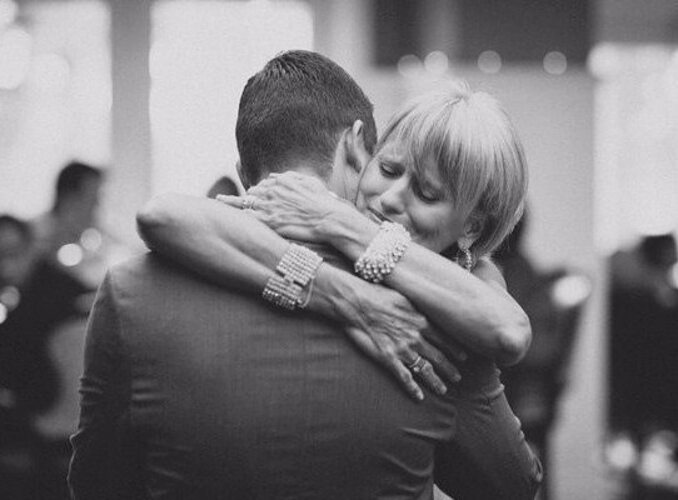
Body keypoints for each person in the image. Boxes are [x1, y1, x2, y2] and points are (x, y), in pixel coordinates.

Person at [135, 52, 540, 498]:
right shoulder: (303, 223)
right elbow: (162, 215)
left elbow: (509, 332)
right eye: (387, 169)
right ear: (363, 151)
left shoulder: (451, 317)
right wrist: (349, 294)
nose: (390, 198)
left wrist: (340, 221)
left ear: (472, 228)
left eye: (427, 194)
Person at [0, 215, 89, 499]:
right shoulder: (62, 286)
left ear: (31, 248)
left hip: (47, 423)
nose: (5, 265)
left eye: (12, 253)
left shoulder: (42, 300)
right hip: (74, 424)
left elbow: (23, 380)